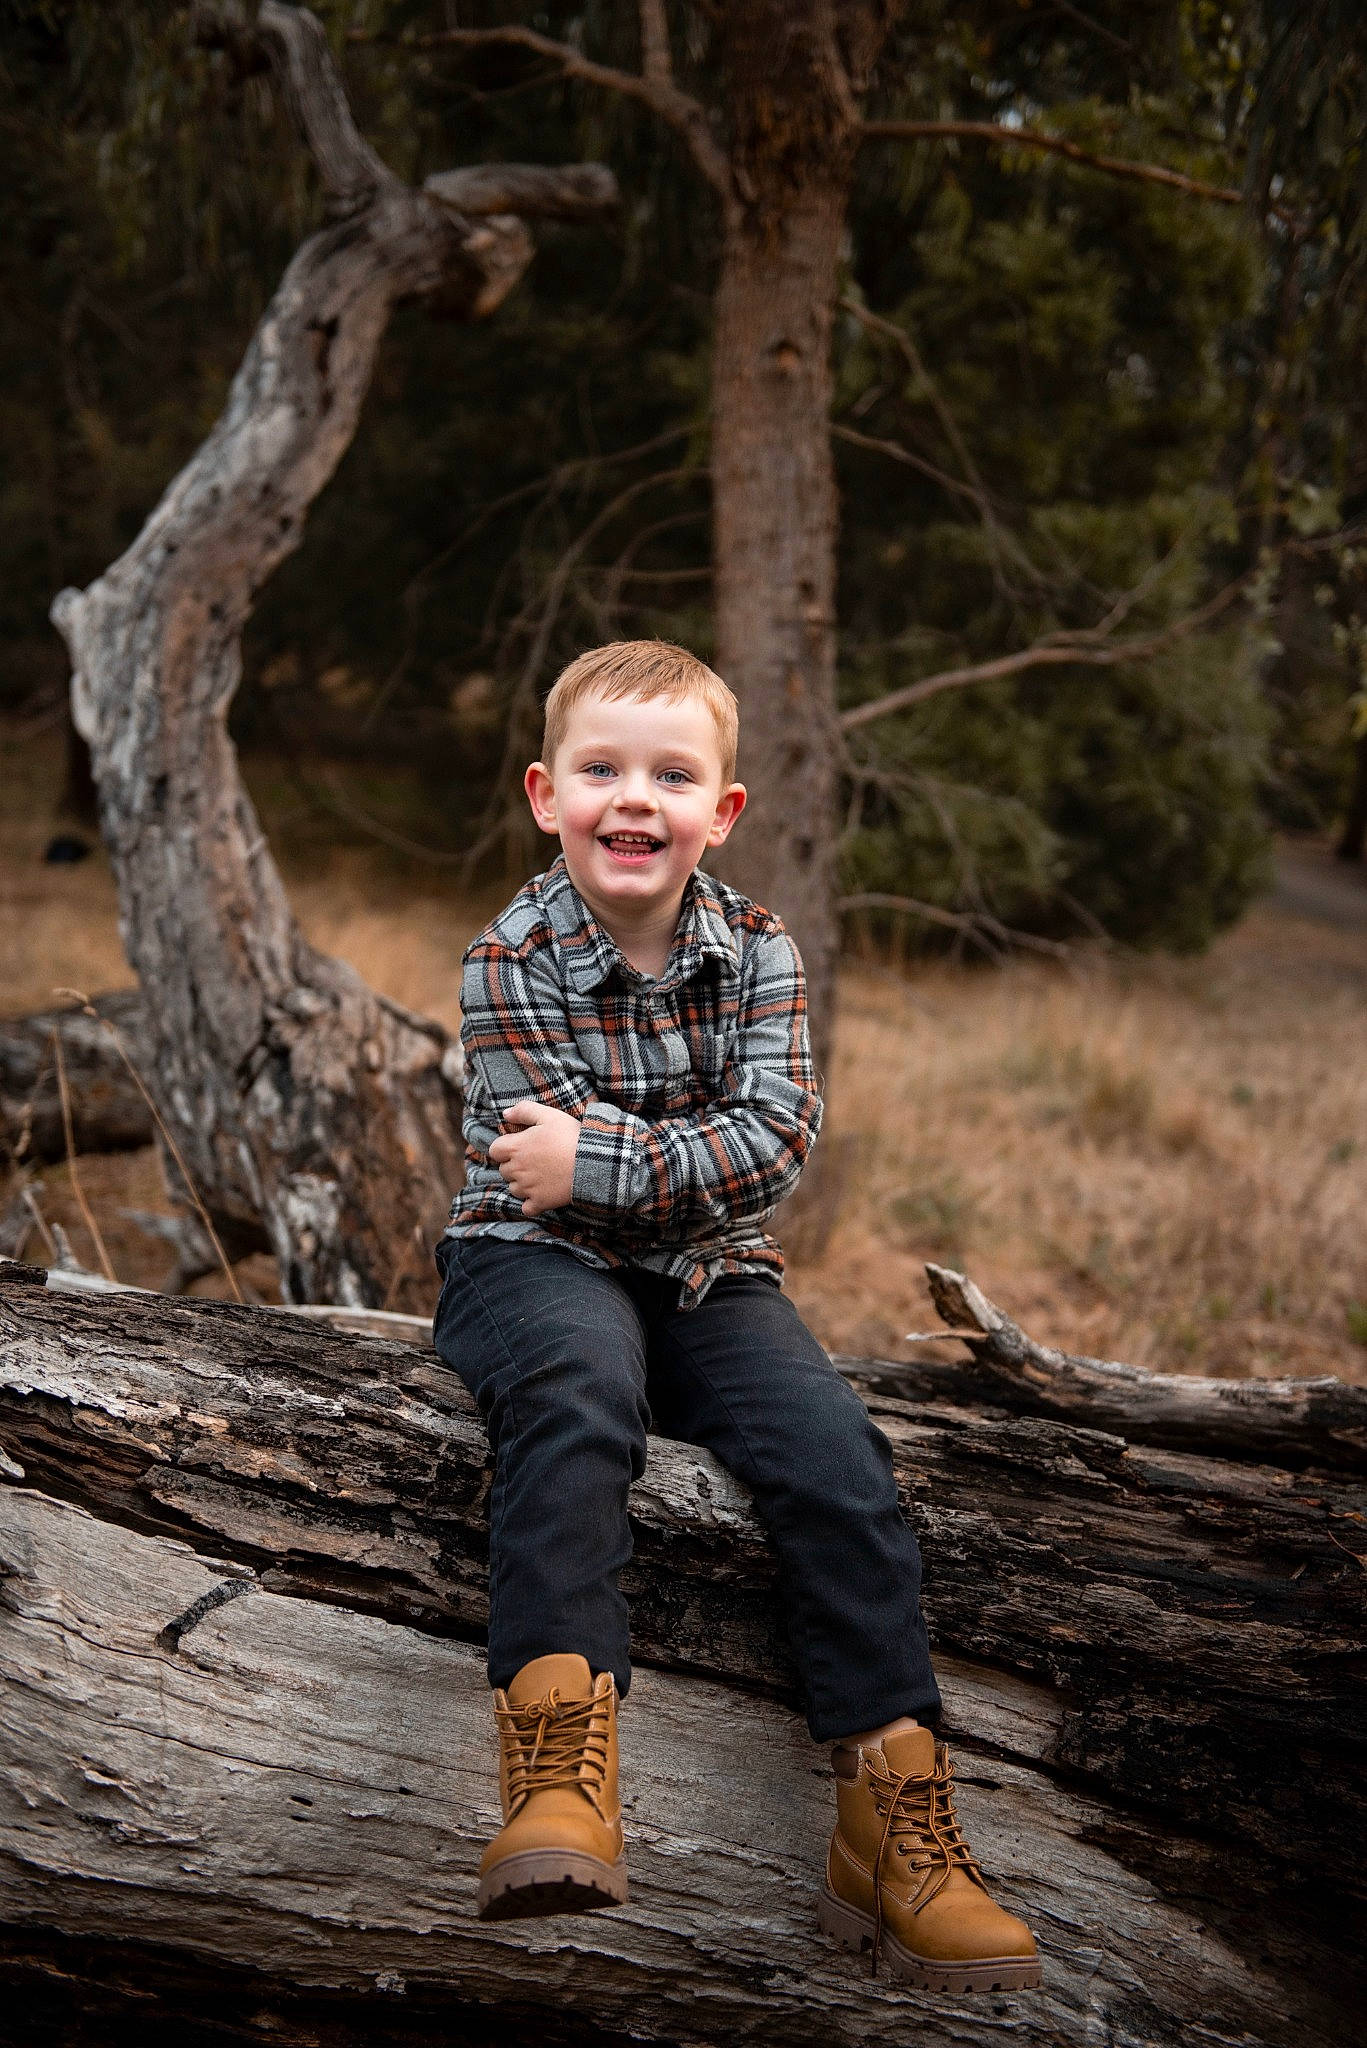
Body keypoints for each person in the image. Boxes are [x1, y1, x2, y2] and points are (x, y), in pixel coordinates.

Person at [432, 640, 1040, 1993]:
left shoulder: (762, 951)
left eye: (671, 774)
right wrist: (656, 1167)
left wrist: (600, 1159)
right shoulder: (506, 957)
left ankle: (891, 1830)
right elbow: (550, 1185)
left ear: (725, 809)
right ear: (546, 794)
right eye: (601, 769)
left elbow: (775, 1144)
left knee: (838, 1460)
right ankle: (559, 1783)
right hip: (525, 1262)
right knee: (582, 1394)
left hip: (714, 1278)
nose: (632, 799)